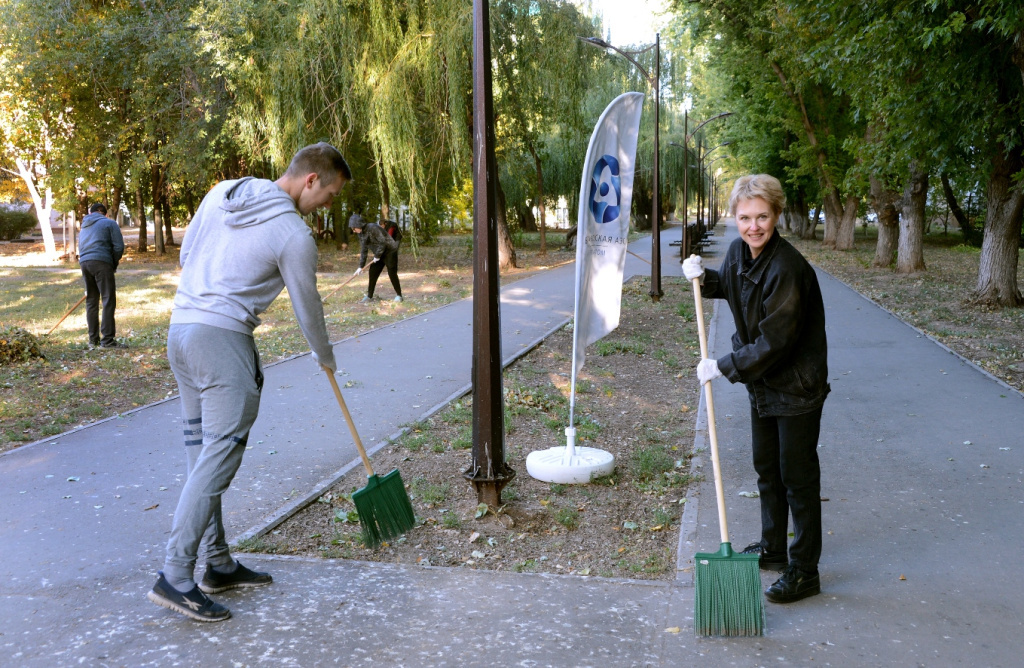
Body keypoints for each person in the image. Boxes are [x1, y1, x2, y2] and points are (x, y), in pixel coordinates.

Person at [148, 142, 350, 622]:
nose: (328, 206)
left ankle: (216, 562)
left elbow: (187, 255)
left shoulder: (224, 191)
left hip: (180, 333)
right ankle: (176, 576)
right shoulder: (293, 235)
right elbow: (308, 307)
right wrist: (326, 356)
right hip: (221, 345)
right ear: (311, 180)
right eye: (331, 194)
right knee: (218, 457)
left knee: (202, 454)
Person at [682, 173, 829, 605]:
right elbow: (730, 285)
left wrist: (722, 365)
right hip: (763, 384)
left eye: (762, 216)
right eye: (745, 217)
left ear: (776, 215)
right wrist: (702, 278)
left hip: (796, 387)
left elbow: (775, 341)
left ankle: (805, 570)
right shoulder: (738, 253)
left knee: (797, 478)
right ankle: (773, 550)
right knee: (767, 470)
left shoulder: (787, 267)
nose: (753, 226)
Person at [78, 203, 125, 348]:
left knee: (91, 301)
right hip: (102, 262)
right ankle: (108, 341)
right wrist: (113, 262)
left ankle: (93, 340)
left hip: (84, 263)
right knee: (107, 300)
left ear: (90, 213)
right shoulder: (110, 223)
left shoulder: (84, 226)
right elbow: (119, 247)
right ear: (104, 213)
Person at [349, 214, 401, 302]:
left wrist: (377, 256)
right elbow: (364, 250)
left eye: (354, 228)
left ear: (358, 225)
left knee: (392, 273)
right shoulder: (360, 234)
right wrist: (360, 266)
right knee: (373, 271)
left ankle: (399, 295)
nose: (353, 231)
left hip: (390, 251)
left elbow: (383, 242)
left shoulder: (373, 227)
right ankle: (369, 296)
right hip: (379, 253)